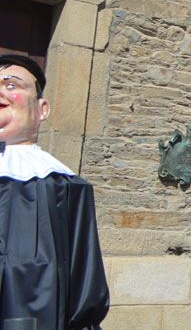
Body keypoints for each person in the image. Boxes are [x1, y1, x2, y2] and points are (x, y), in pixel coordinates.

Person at [0, 54, 109, 329]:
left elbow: (84, 280)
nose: (1, 92)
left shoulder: (65, 186)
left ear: (42, 109)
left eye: (12, 85)